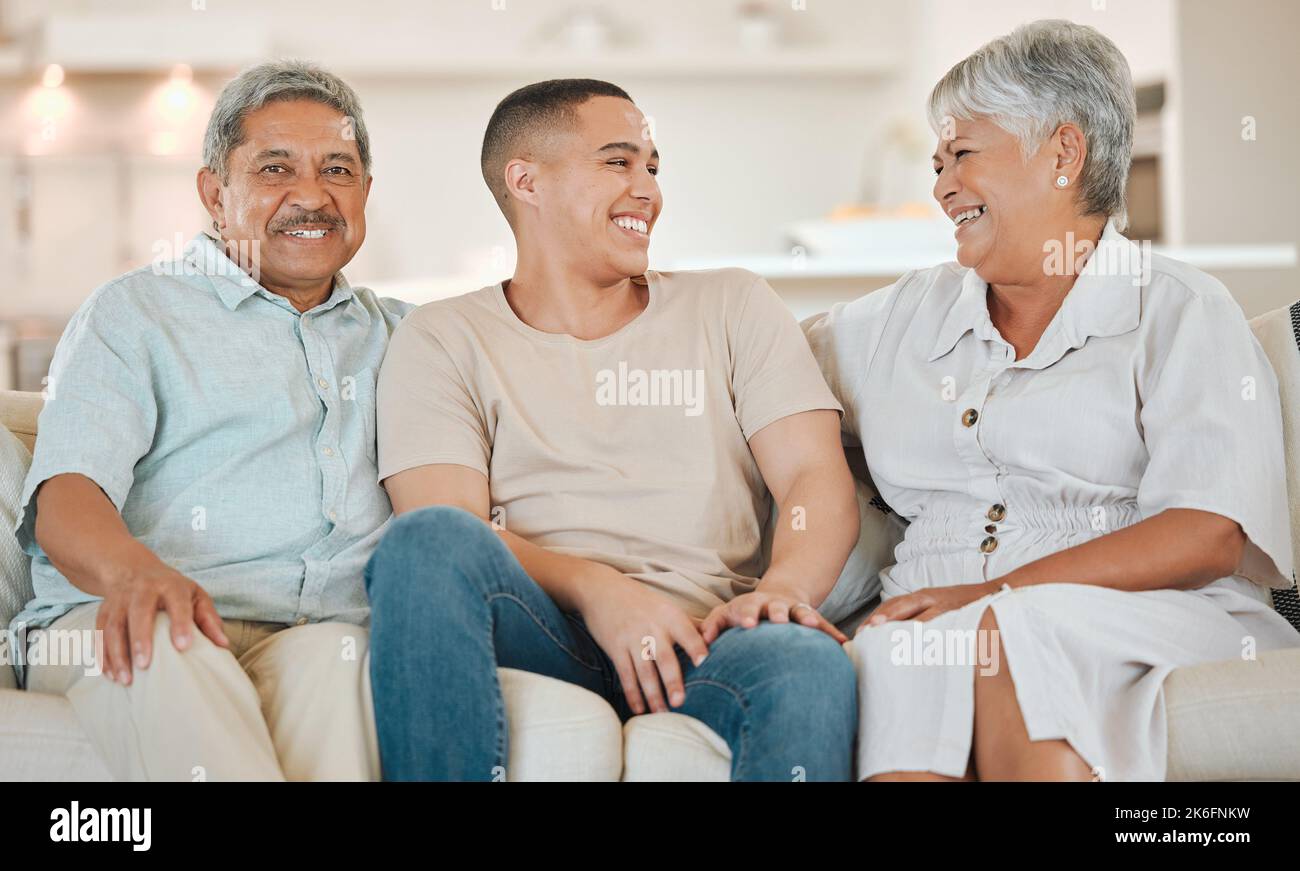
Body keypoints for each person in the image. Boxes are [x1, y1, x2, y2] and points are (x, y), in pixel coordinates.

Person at [804, 19, 1300, 782]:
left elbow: (1208, 533)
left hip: (1148, 612)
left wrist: (990, 592)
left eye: (963, 154)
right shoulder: (899, 319)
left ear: (1064, 154)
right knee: (906, 646)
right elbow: (755, 366)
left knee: (1004, 632)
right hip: (934, 611)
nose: (941, 186)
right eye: (937, 163)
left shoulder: (1178, 309)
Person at [366, 79, 859, 781]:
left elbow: (814, 477)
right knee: (423, 542)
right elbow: (448, 523)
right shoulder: (441, 337)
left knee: (804, 660)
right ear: (526, 180)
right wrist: (601, 590)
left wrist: (782, 590)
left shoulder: (732, 304)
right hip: (540, 628)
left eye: (652, 167)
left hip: (703, 637)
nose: (647, 190)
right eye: (617, 162)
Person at [15, 61, 410, 781]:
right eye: (275, 168)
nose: (312, 196)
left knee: (339, 656)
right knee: (174, 643)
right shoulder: (136, 312)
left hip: (310, 633)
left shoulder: (405, 339)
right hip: (129, 619)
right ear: (214, 194)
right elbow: (65, 499)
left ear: (366, 193)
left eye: (338, 170)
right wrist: (137, 575)